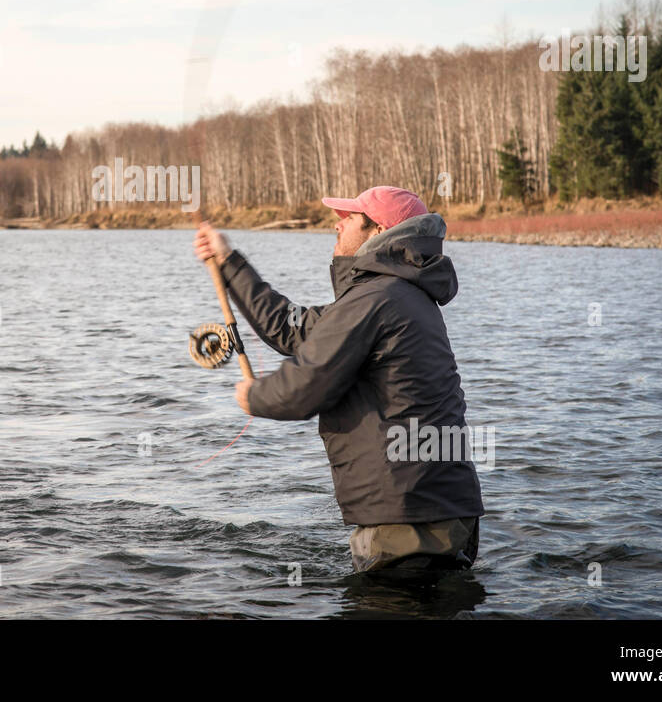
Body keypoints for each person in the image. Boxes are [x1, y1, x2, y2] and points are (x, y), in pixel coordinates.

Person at [193, 186, 484, 574]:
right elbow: (289, 326)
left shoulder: (373, 300)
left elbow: (306, 386)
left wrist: (254, 397)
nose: (338, 224)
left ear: (377, 230)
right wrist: (229, 261)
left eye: (349, 218)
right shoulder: (393, 295)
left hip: (408, 520)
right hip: (440, 513)